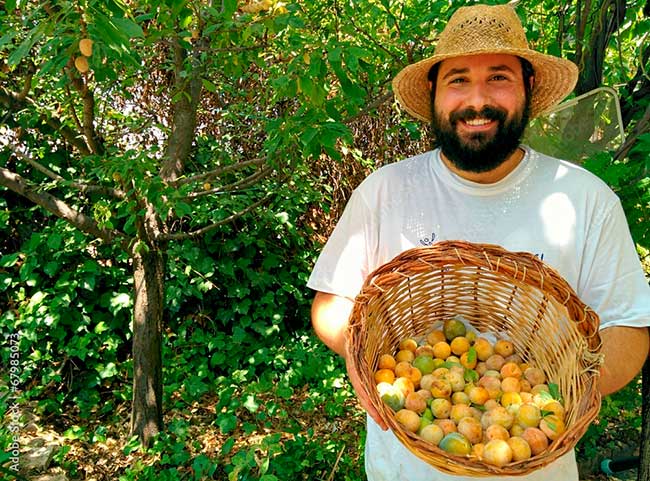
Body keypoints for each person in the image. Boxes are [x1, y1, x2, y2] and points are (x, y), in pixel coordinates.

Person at [307, 3, 650, 481]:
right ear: (434, 93)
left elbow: (629, 328)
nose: (477, 100)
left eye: (499, 77)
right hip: (404, 469)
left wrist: (571, 391)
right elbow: (332, 302)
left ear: (528, 88)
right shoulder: (386, 190)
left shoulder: (585, 199)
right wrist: (359, 357)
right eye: (458, 80)